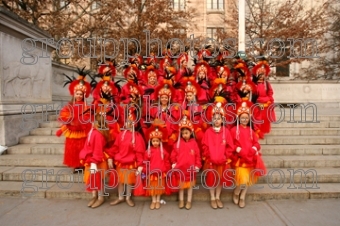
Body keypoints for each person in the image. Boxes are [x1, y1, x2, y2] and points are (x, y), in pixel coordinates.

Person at [107, 107, 146, 207]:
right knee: (120, 180)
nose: (129, 124)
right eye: (128, 122)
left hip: (130, 162)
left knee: (128, 181)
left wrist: (140, 164)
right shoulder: (120, 135)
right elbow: (115, 147)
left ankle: (128, 197)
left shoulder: (137, 136)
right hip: (120, 161)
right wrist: (110, 157)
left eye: (131, 122)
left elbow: (139, 152)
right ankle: (120, 197)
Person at [56, 67, 92, 172]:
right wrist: (70, 120)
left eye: (81, 94)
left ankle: (82, 164)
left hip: (82, 130)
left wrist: (81, 121)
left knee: (82, 147)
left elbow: (88, 117)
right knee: (73, 149)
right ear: (74, 94)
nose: (79, 96)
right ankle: (75, 165)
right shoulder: (69, 105)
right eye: (77, 94)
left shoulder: (86, 107)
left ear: (84, 95)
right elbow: (64, 115)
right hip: (72, 130)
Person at [201, 97, 234, 209]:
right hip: (211, 161)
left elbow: (230, 146)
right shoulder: (208, 132)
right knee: (211, 179)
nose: (216, 120)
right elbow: (204, 145)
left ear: (222, 119)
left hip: (222, 161)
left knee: (219, 179)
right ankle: (212, 197)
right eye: (214, 118)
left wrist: (226, 156)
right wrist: (208, 155)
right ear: (212, 120)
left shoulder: (226, 132)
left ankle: (218, 197)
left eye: (218, 118)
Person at [230, 101, 262, 208]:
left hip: (250, 157)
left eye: (246, 118)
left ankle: (242, 196)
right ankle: (237, 191)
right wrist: (238, 149)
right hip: (240, 158)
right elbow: (230, 144)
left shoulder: (251, 130)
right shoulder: (234, 130)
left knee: (247, 179)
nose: (244, 120)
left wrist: (254, 148)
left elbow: (257, 143)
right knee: (242, 179)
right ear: (238, 118)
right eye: (242, 118)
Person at [79, 111, 110, 208]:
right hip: (90, 159)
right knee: (92, 179)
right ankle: (94, 196)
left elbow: (97, 150)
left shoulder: (98, 135)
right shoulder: (93, 131)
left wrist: (94, 163)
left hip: (96, 161)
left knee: (98, 179)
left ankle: (101, 197)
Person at [170, 115, 201, 210]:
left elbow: (197, 155)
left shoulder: (194, 143)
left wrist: (197, 165)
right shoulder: (178, 144)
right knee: (181, 187)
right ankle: (181, 200)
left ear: (190, 132)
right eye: (183, 133)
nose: (184, 135)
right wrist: (174, 162)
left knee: (190, 187)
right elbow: (173, 155)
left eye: (186, 133)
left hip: (191, 169)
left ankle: (189, 201)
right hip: (181, 168)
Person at [143, 123, 170, 210]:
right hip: (151, 173)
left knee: (159, 187)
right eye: (153, 141)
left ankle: (158, 200)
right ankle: (153, 200)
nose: (155, 143)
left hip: (160, 173)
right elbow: (145, 162)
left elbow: (166, 161)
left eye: (157, 141)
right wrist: (145, 171)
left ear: (160, 141)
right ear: (151, 141)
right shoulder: (148, 152)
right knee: (152, 188)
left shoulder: (163, 151)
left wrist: (166, 169)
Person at [252, 59, 276, 135]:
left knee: (265, 118)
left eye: (263, 74)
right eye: (260, 74)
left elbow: (270, 92)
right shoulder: (254, 84)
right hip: (257, 103)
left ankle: (264, 130)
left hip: (266, 103)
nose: (261, 76)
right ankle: (258, 131)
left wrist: (270, 100)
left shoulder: (267, 84)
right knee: (257, 118)